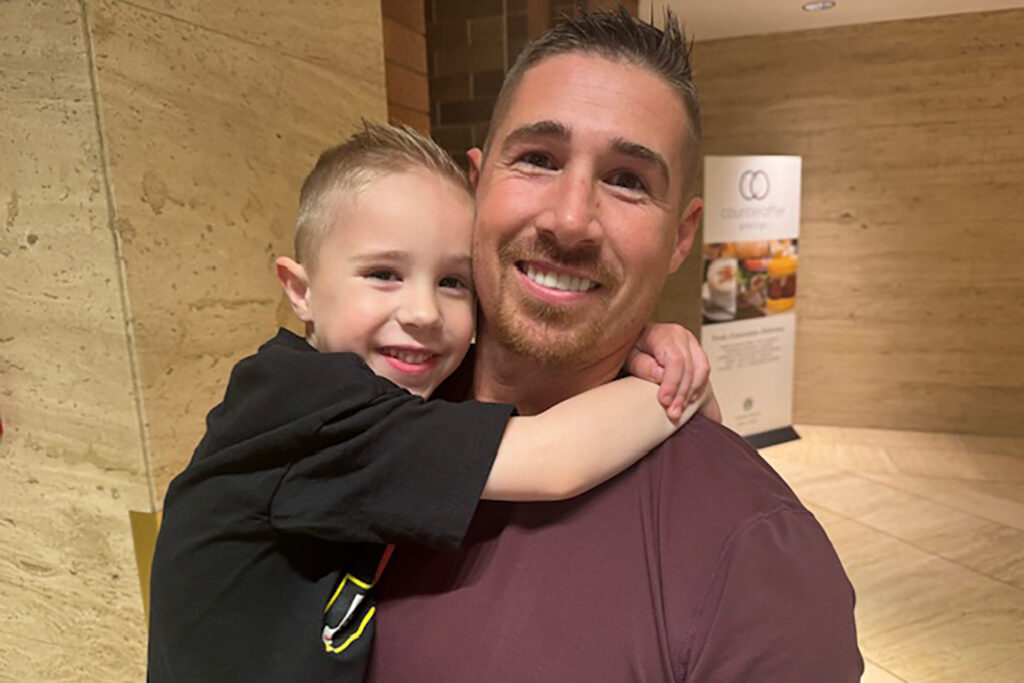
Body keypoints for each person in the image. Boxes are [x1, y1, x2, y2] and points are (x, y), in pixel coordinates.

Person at [366, 10, 863, 682]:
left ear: (682, 236)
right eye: (539, 159)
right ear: (477, 185)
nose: (570, 220)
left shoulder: (753, 556)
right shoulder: (348, 411)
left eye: (628, 179)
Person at [146, 122, 718, 682]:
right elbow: (552, 460)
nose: (423, 313)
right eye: (383, 274)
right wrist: (672, 383)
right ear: (300, 290)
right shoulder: (314, 408)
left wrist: (634, 345)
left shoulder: (326, 385)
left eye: (453, 283)